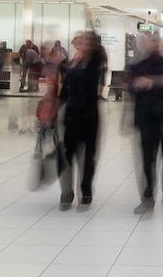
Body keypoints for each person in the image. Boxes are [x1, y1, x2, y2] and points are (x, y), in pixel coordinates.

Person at [128, 32, 163, 212]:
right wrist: (135, 86)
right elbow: (131, 89)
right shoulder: (136, 66)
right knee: (147, 158)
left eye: (145, 42)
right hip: (145, 118)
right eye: (139, 43)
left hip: (162, 118)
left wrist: (153, 83)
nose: (142, 46)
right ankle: (148, 196)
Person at [56, 31, 103, 210]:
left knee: (87, 157)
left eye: (87, 40)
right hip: (71, 116)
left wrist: (90, 23)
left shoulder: (94, 62)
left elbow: (96, 51)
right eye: (80, 39)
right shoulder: (73, 62)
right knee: (67, 154)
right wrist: (53, 110)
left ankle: (86, 191)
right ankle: (66, 192)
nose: (82, 42)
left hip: (89, 116)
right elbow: (65, 90)